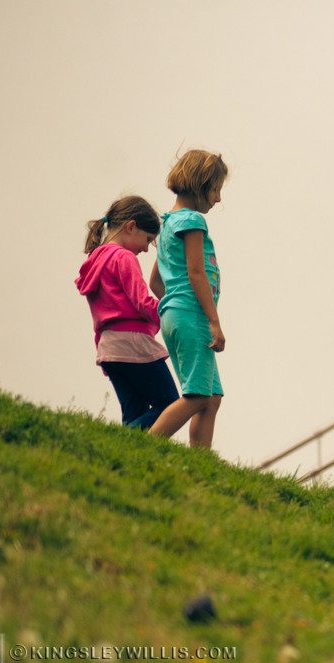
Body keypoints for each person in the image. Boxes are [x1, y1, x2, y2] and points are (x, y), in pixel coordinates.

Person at [76, 196, 180, 430]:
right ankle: (115, 441)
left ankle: (125, 454)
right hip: (133, 344)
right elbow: (142, 302)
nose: (145, 248)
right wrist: (173, 314)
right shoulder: (123, 257)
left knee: (135, 414)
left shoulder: (95, 260)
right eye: (147, 239)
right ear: (131, 226)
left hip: (109, 349)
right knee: (172, 406)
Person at [148, 149, 228, 448]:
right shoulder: (191, 220)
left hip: (174, 314)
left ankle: (200, 463)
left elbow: (156, 281)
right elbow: (196, 273)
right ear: (201, 184)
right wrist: (213, 321)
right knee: (197, 396)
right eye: (216, 189)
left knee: (211, 397)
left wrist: (173, 307)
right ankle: (147, 444)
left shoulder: (169, 222)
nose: (218, 199)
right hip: (192, 315)